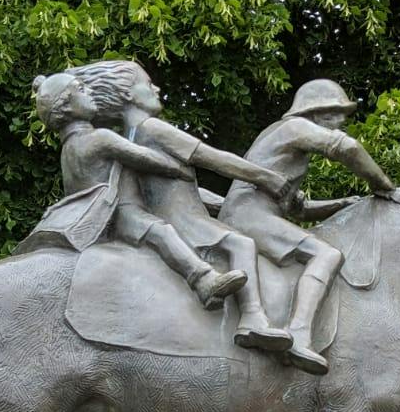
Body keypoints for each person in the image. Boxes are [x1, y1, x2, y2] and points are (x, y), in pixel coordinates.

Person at [68, 60, 293, 349]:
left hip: (175, 211)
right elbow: (212, 157)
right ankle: (253, 318)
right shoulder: (154, 129)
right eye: (148, 84)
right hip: (182, 218)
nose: (156, 88)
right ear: (128, 94)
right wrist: (266, 177)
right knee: (242, 244)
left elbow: (172, 188)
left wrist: (225, 202)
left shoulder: (132, 136)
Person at [20, 72, 247, 310]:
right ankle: (204, 281)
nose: (90, 93)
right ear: (67, 105)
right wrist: (179, 166)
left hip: (98, 215)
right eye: (81, 89)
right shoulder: (101, 138)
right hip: (120, 213)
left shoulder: (67, 151)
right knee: (162, 232)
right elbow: (145, 158)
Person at [220, 79, 396, 373]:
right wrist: (384, 184)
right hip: (249, 215)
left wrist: (342, 203)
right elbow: (347, 148)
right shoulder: (292, 129)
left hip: (256, 214)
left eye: (342, 114)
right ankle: (300, 334)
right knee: (328, 255)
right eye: (332, 113)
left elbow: (298, 210)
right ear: (312, 112)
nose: (340, 121)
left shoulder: (286, 152)